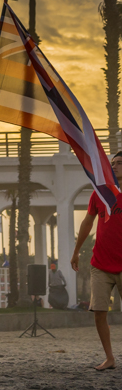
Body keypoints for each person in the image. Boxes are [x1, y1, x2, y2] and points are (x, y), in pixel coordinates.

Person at [71, 151, 122, 371]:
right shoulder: (99, 194)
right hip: (100, 264)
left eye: (120, 163)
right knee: (99, 312)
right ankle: (109, 358)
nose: (115, 167)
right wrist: (76, 252)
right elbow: (87, 223)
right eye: (113, 164)